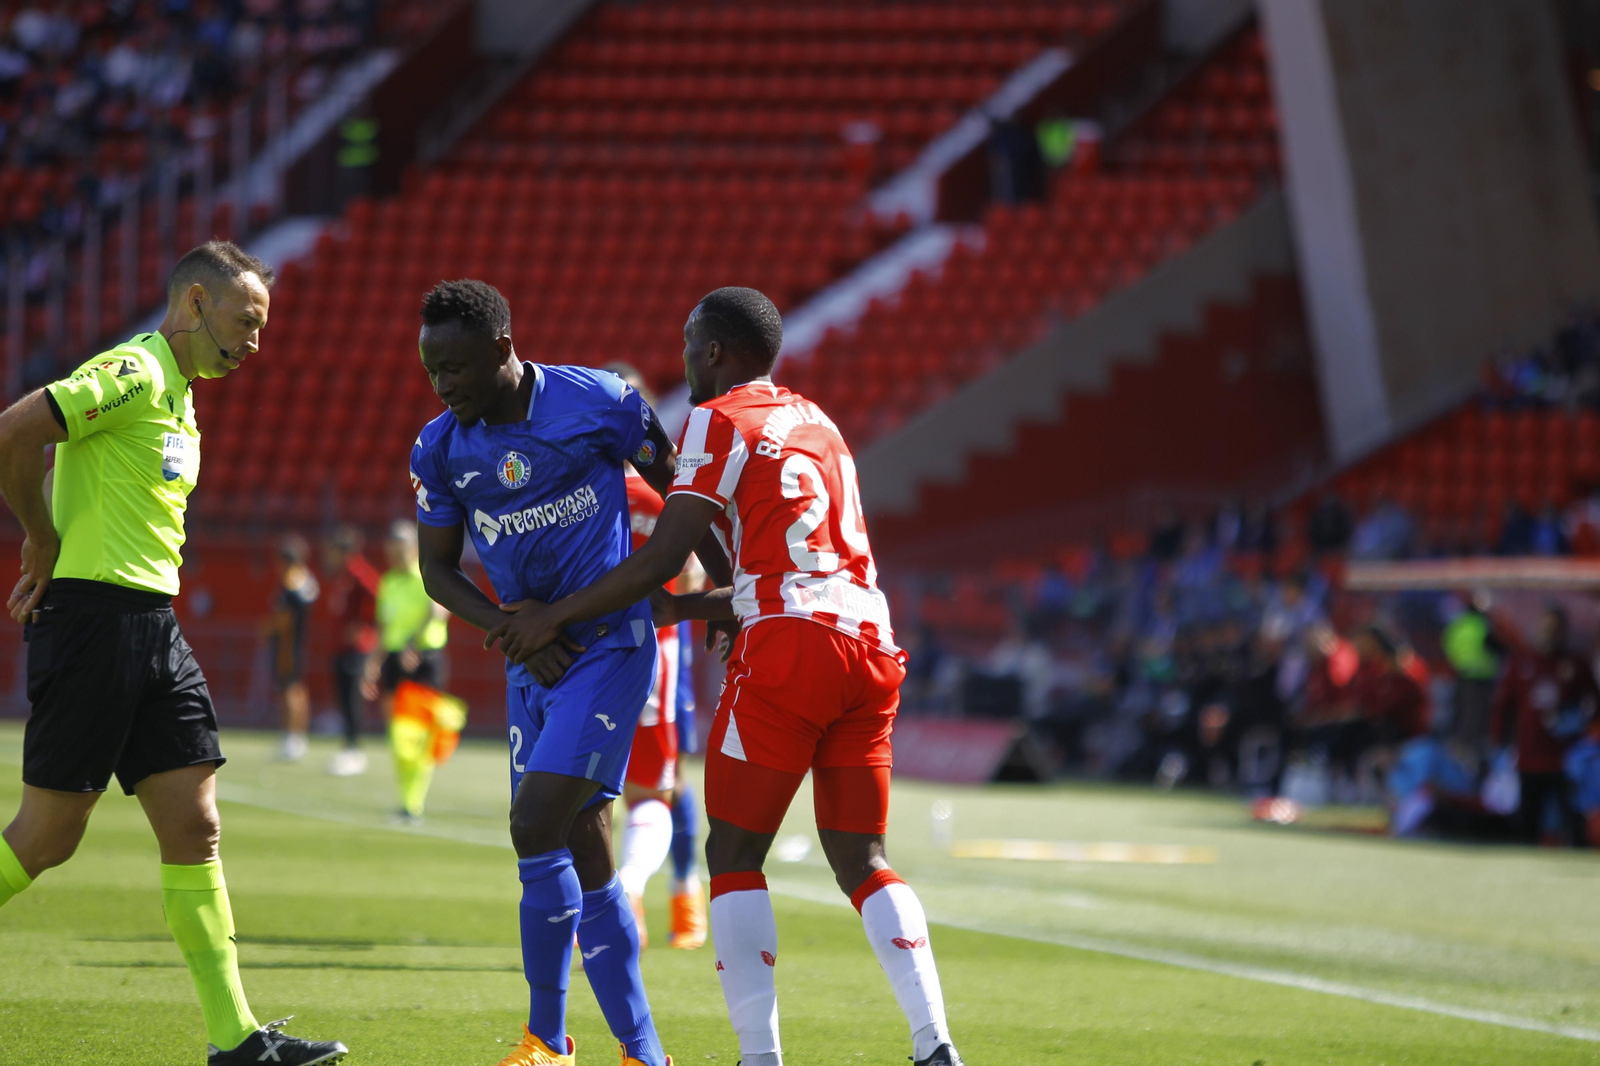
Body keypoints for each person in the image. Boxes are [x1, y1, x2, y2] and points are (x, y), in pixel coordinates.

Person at [486, 287, 963, 1066]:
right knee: (863, 859)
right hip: (872, 645)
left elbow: (661, 556)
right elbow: (782, 570)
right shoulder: (821, 423)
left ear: (713, 352)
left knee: (735, 856)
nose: (682, 361)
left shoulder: (718, 419)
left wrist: (557, 616)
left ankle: (758, 1059)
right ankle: (934, 1043)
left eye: (687, 346)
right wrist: (689, 610)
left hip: (789, 651)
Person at [0, 241, 347, 1064]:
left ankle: (237, 1040)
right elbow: (14, 430)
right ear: (194, 303)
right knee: (48, 838)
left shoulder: (183, 400)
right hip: (92, 625)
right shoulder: (134, 374)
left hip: (154, 626)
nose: (256, 341)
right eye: (246, 320)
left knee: (196, 825)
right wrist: (41, 539)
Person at [408, 280, 687, 1066]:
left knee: (533, 825)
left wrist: (730, 591)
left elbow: (682, 494)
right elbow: (437, 570)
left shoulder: (599, 402)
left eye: (458, 366)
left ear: (503, 346)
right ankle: (643, 1052)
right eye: (434, 372)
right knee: (587, 848)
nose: (446, 385)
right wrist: (512, 628)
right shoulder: (439, 448)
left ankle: (546, 1042)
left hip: (608, 644)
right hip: (532, 657)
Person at [606, 362, 708, 951]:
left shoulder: (568, 492)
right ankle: (661, 892)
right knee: (659, 788)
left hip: (582, 655)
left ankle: (676, 892)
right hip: (655, 656)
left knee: (584, 790)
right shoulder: (663, 490)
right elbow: (693, 576)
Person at [1491, 605, 1597, 843]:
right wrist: (1499, 745)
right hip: (1528, 759)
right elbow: (1502, 708)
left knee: (1572, 823)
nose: (1549, 633)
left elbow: (1594, 704)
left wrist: (1578, 724)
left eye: (1555, 629)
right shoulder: (1520, 664)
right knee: (1528, 825)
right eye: (1545, 628)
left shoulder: (1576, 665)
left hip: (1566, 761)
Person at [373, 519, 451, 821]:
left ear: (413, 548)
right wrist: (374, 662)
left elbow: (439, 613)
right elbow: (384, 627)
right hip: (395, 660)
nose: (396, 556)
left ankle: (413, 801)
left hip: (424, 661)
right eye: (392, 550)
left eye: (401, 549)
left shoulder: (427, 577)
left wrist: (415, 646)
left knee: (418, 736)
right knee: (397, 734)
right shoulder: (388, 582)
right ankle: (406, 798)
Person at [322, 523, 378, 777]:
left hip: (356, 647)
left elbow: (379, 596)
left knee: (352, 697)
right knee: (343, 696)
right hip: (340, 646)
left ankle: (355, 748)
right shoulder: (343, 573)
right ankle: (347, 745)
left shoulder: (358, 572)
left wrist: (364, 626)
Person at [266, 532, 319, 763]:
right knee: (295, 689)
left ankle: (293, 736)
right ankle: (296, 737)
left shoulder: (292, 585)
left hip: (288, 643)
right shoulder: (306, 582)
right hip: (297, 642)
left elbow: (285, 618)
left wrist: (268, 629)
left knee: (290, 690)